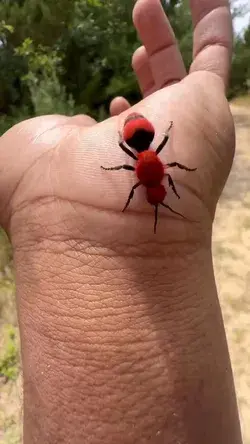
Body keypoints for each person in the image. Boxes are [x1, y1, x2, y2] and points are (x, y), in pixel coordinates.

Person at [0, 0, 243, 443]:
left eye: (155, 194)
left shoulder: (149, 169)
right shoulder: (154, 171)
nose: (156, 193)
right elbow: (155, 178)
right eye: (160, 192)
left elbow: (145, 176)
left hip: (140, 134)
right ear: (160, 183)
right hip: (142, 134)